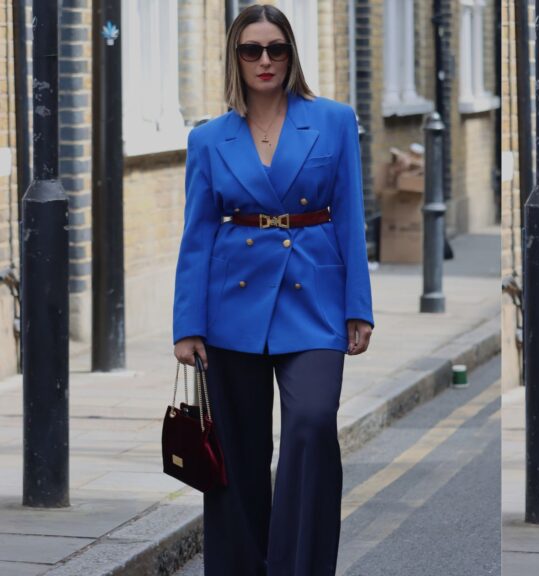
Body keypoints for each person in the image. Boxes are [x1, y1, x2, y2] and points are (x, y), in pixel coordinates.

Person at [171, 4, 373, 574]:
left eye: (276, 49)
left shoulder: (333, 120)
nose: (265, 61)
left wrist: (359, 306)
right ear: (235, 57)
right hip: (231, 304)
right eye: (252, 50)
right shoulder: (208, 139)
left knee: (311, 422)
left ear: (292, 55)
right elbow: (197, 234)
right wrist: (187, 325)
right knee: (238, 453)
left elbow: (350, 217)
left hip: (316, 300)